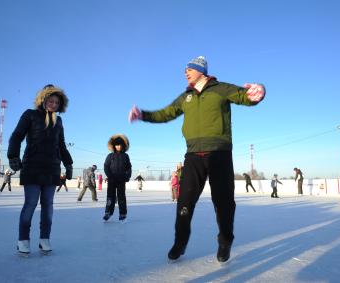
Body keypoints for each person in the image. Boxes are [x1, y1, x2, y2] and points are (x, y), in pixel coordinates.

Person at [128, 56, 265, 262]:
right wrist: (143, 115)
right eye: (185, 70)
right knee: (184, 201)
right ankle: (180, 242)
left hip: (219, 152)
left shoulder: (221, 88)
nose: (186, 73)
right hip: (193, 155)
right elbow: (166, 113)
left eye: (189, 69)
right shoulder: (186, 97)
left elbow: (245, 97)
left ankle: (225, 240)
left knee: (224, 202)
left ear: (201, 70)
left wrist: (258, 92)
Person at [7, 84, 73, 255]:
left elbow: (62, 145)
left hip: (52, 169)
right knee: (30, 204)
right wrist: (13, 155)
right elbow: (16, 136)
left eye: (56, 102)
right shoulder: (30, 115)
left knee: (48, 206)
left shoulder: (58, 121)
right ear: (43, 100)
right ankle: (23, 240)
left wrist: (69, 164)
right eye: (50, 100)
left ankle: (45, 239)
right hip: (32, 167)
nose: (53, 104)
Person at [103, 134, 132, 222]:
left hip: (121, 180)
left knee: (121, 197)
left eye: (120, 145)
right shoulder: (110, 156)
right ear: (114, 146)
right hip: (112, 180)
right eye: (117, 145)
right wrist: (110, 176)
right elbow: (106, 166)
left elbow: (129, 167)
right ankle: (108, 212)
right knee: (110, 197)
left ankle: (122, 214)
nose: (118, 146)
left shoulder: (125, 156)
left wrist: (127, 177)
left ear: (123, 145)